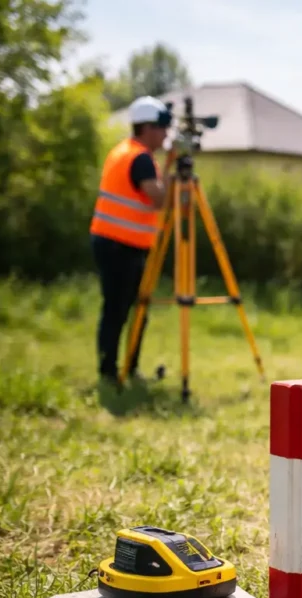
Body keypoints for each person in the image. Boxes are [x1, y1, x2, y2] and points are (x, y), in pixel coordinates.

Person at [89, 95, 175, 384]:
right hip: (120, 245)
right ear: (147, 127)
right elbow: (158, 200)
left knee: (128, 309)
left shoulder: (125, 151)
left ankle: (122, 367)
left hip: (117, 242)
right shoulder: (140, 158)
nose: (165, 134)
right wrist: (173, 177)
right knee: (119, 310)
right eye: (162, 127)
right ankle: (111, 371)